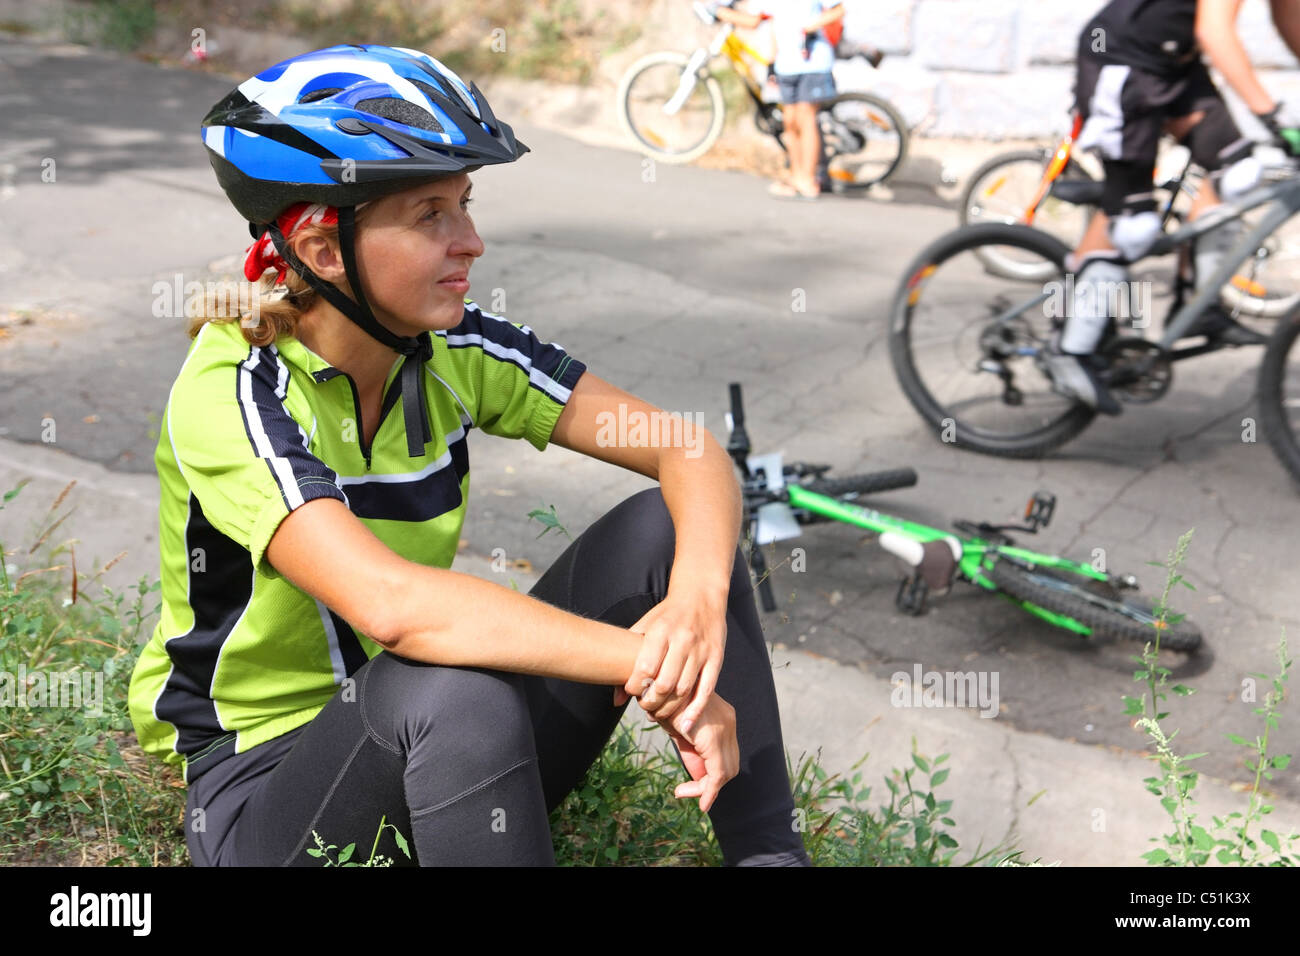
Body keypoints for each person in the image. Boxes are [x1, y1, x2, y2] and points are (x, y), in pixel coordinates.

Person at [127, 43, 812, 867]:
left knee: (663, 533)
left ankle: (772, 859)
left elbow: (685, 450)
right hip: (266, 796)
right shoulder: (234, 388)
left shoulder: (452, 347)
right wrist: (654, 668)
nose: (473, 242)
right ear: (319, 248)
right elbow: (395, 608)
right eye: (431, 215)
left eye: (466, 204)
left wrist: (695, 610)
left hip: (453, 755)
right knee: (448, 685)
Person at [1049, 0, 1300, 415]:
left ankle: (1197, 305)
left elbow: (1288, 16)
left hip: (1176, 67)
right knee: (1133, 225)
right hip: (1122, 62)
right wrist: (1269, 114)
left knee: (1238, 173)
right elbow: (1214, 32)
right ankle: (1069, 347)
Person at [709, 0, 846, 199]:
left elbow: (840, 9)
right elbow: (756, 21)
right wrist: (718, 12)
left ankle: (808, 179)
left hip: (812, 61)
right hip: (786, 65)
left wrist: (810, 26)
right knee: (789, 123)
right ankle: (796, 176)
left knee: (806, 119)